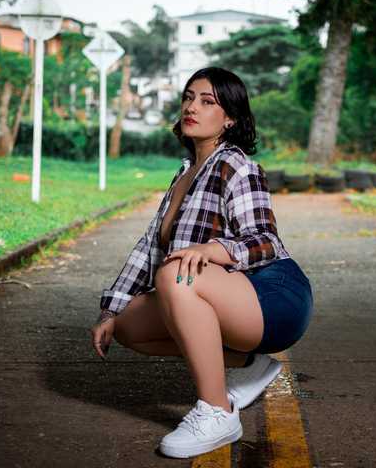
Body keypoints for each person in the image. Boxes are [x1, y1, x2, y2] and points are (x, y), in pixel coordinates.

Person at [90, 66, 313, 459]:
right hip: (229, 293)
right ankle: (250, 364)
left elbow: (266, 242)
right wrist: (112, 309)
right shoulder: (185, 172)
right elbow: (149, 248)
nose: (192, 107)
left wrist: (213, 250)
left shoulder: (236, 165)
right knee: (127, 327)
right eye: (189, 97)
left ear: (230, 119)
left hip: (274, 294)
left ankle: (217, 412)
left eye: (207, 101)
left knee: (177, 275)